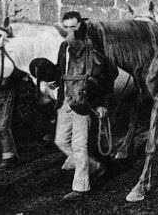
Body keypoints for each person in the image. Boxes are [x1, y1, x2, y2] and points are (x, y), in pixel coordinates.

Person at [52, 11, 111, 202]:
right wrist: (54, 80)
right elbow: (61, 70)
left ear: (80, 26)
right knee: (61, 141)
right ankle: (93, 165)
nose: (70, 31)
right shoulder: (64, 46)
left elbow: (108, 75)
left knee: (79, 145)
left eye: (73, 27)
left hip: (83, 100)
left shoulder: (91, 47)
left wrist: (101, 103)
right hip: (65, 99)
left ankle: (81, 187)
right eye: (66, 27)